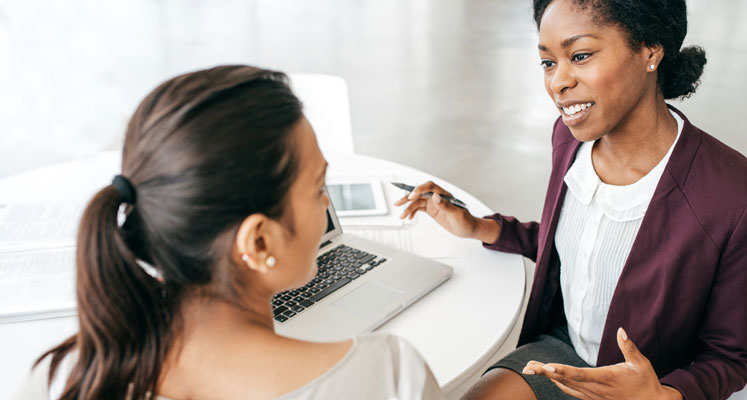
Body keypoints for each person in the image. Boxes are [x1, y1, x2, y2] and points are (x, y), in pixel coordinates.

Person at [395, 0, 747, 399]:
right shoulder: (569, 140)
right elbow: (576, 246)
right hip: (562, 353)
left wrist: (664, 395)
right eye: (548, 62)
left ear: (649, 50)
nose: (557, 83)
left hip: (650, 384)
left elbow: (729, 355)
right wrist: (480, 227)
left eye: (579, 56)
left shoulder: (740, 199)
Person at [16, 65, 443, 400]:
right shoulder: (389, 377)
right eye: (317, 189)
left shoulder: (62, 379)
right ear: (258, 243)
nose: (327, 205)